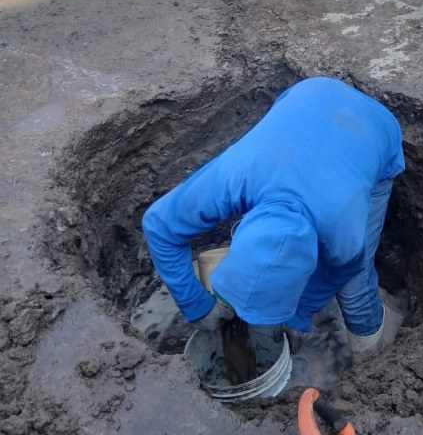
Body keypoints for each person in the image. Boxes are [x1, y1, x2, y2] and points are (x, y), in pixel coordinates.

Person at [142, 77, 405, 361]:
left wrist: (300, 313)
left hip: (371, 131)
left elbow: (343, 268)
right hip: (311, 94)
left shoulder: (344, 229)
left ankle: (372, 357)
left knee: (354, 286)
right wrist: (196, 305)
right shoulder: (232, 178)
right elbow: (158, 227)